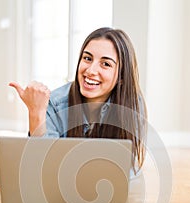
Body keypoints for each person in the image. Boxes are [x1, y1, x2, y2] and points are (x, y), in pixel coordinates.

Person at [9, 27, 147, 174]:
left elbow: (127, 172)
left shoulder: (131, 104)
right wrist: (36, 113)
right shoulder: (54, 103)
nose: (90, 71)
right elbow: (41, 167)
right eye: (87, 58)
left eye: (106, 64)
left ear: (121, 77)